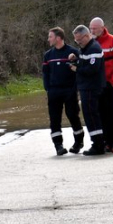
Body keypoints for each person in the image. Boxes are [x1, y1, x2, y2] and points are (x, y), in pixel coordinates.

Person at [42, 27, 84, 155]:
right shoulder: (48, 55)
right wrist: (48, 89)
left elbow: (81, 68)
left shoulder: (73, 52)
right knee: (54, 119)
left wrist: (76, 60)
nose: (48, 39)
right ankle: (58, 145)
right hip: (54, 91)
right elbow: (45, 74)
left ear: (58, 38)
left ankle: (78, 142)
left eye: (50, 37)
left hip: (70, 90)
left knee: (72, 115)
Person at [89, 17, 113, 153]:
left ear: (102, 27)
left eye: (95, 28)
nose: (92, 31)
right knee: (99, 113)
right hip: (96, 84)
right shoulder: (90, 43)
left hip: (110, 83)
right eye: (91, 28)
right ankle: (104, 141)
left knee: (112, 113)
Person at [69, 25, 106, 156]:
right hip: (86, 87)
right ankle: (98, 143)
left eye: (79, 40)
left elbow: (92, 69)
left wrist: (76, 69)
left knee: (91, 115)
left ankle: (98, 145)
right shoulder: (85, 48)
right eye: (76, 41)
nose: (78, 43)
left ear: (86, 36)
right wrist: (76, 57)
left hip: (91, 87)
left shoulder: (94, 48)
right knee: (90, 115)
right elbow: (84, 60)